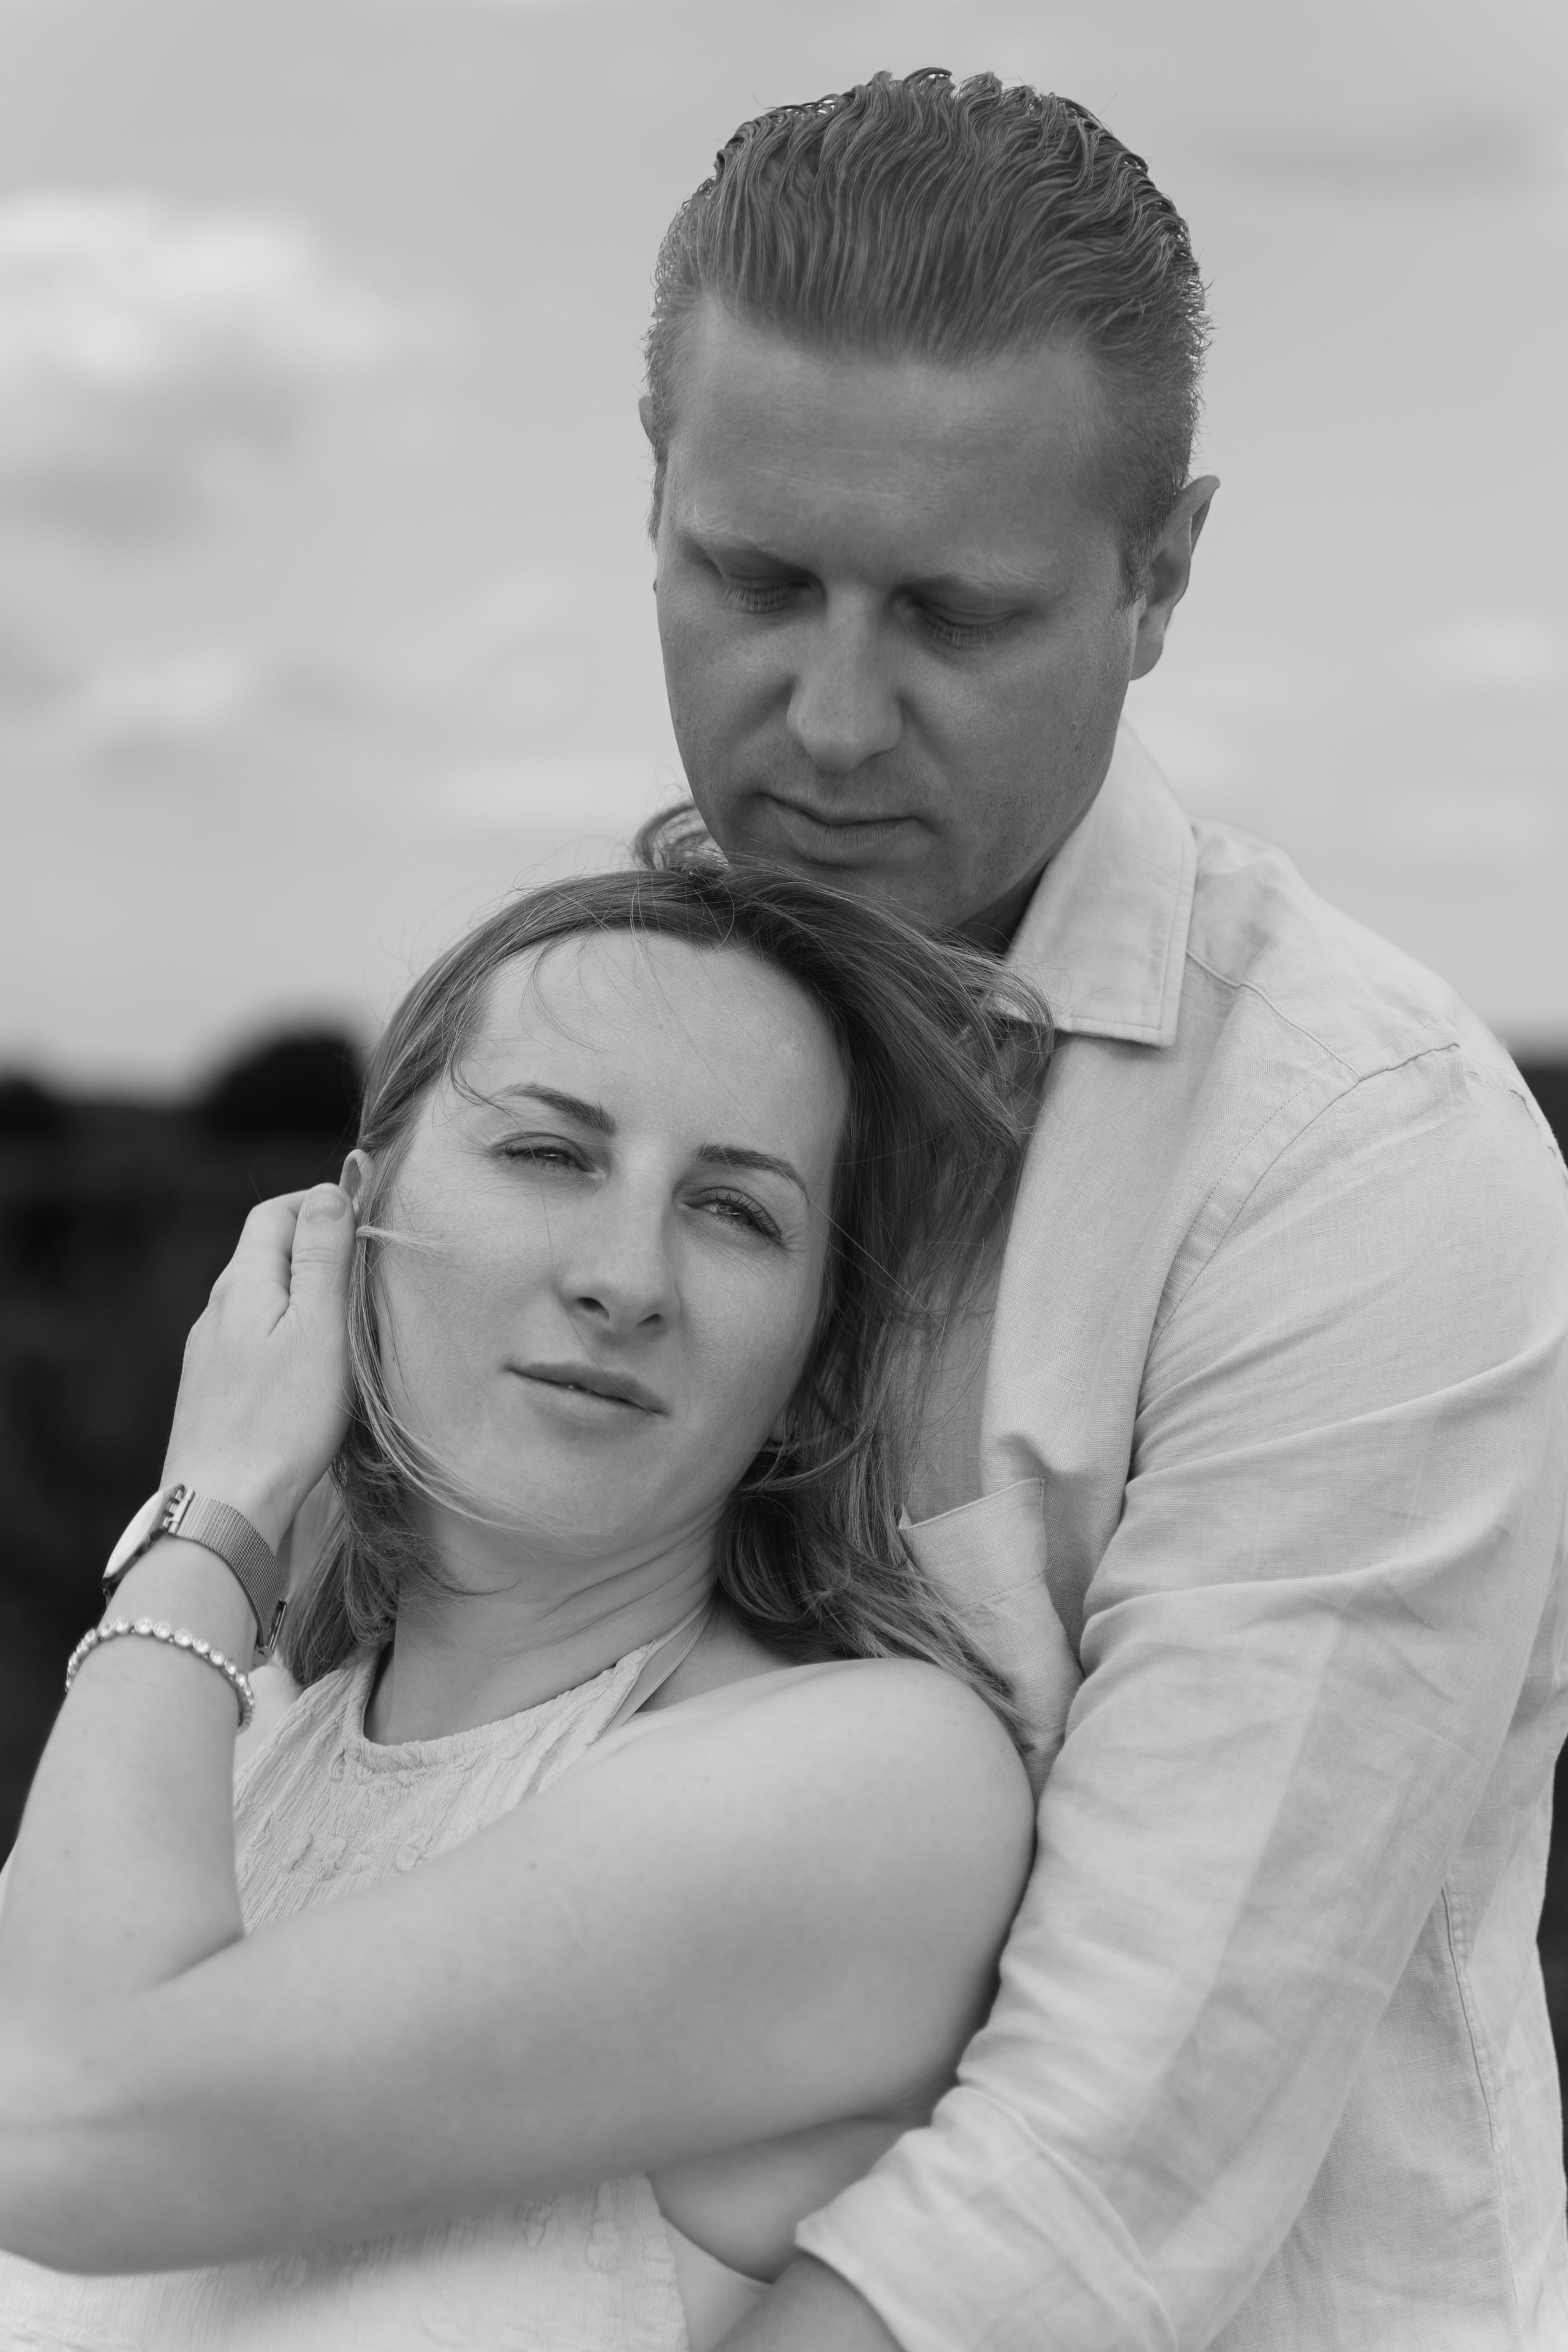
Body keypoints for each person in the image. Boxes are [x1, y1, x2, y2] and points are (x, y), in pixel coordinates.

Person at [634, 69, 1568, 2352]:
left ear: (1163, 577)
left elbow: (1104, 2171)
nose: (828, 721)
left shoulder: (1367, 1160)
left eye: (953, 617)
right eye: (754, 581)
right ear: (647, 488)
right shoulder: (598, 1032)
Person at [0, 865, 1057, 2350]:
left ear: (814, 1352)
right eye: (552, 1153)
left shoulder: (873, 1786)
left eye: (737, 1211)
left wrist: (213, 1514)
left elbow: (51, 2126)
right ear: (348, 1221)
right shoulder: (231, 1743)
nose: (626, 1278)